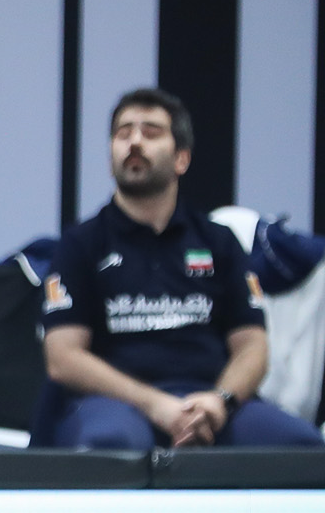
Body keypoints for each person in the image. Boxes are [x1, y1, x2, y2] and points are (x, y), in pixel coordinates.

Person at [41, 88, 324, 449]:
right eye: (123, 133)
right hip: (114, 404)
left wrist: (220, 401)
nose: (134, 142)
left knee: (302, 448)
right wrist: (155, 405)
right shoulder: (80, 244)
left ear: (181, 159)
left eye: (151, 132)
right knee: (112, 443)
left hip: (208, 402)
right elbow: (63, 358)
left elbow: (253, 346)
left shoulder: (219, 242)